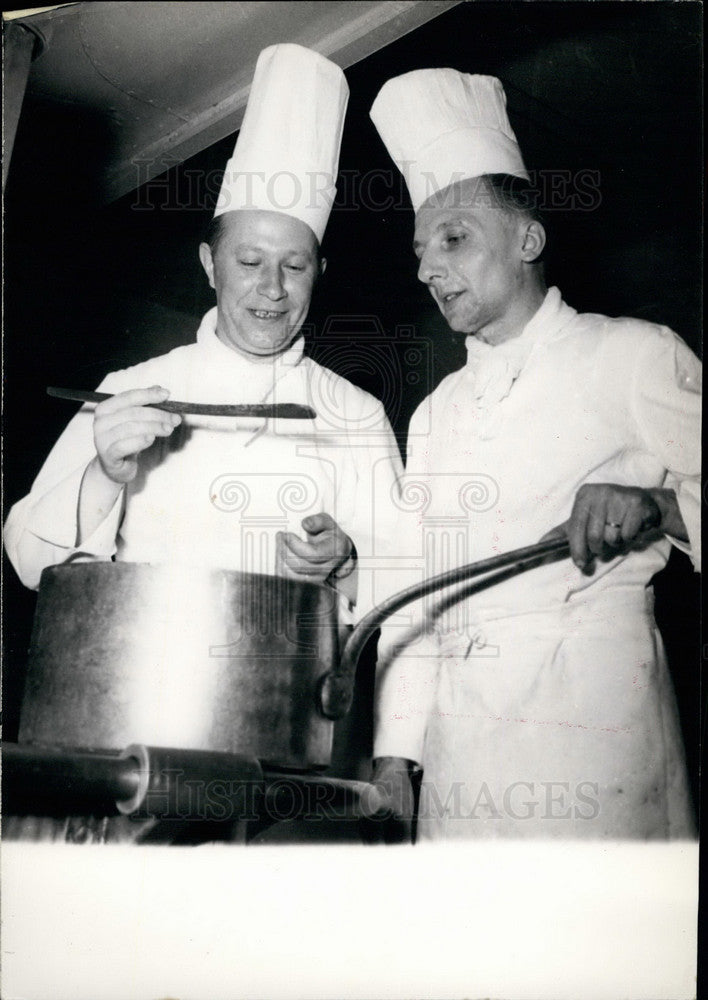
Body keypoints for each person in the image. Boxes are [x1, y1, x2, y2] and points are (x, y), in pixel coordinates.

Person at [3, 44, 402, 844]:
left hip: (290, 758)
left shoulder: (354, 411)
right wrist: (105, 471)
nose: (271, 288)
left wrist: (348, 561)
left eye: (295, 265)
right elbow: (24, 554)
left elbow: (404, 579)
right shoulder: (131, 384)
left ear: (320, 272)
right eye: (249, 261)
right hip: (133, 733)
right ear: (207, 263)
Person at [368, 70, 701, 840]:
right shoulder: (433, 414)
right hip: (460, 752)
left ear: (528, 239)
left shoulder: (633, 354)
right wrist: (395, 759)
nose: (427, 269)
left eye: (453, 238)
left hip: (592, 736)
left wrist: (658, 508)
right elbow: (418, 590)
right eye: (420, 250)